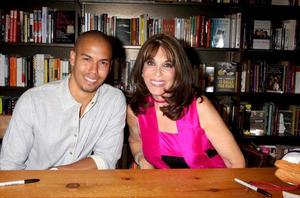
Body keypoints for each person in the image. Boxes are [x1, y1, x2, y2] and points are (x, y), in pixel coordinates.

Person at [0, 31, 126, 170]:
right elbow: (9, 166)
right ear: (72, 58)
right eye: (87, 59)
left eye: (103, 63)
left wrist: (55, 176)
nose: (94, 71)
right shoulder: (32, 101)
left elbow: (106, 159)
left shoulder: (114, 100)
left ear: (110, 66)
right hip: (32, 187)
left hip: (80, 186)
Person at [127, 34, 245, 169]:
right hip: (163, 187)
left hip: (211, 186)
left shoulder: (200, 106)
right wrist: (142, 159)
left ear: (178, 71)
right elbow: (135, 142)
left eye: (167, 65)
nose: (157, 73)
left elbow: (235, 162)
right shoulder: (136, 109)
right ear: (141, 69)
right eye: (150, 63)